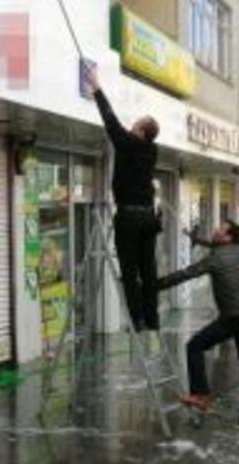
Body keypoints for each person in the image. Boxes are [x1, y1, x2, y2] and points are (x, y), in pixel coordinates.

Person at [157, 220, 239, 425]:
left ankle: (201, 394)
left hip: (234, 316)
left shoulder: (216, 258)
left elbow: (187, 273)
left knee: (195, 345)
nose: (215, 229)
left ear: (228, 236)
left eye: (220, 229)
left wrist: (156, 285)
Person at [86, 68, 161, 332]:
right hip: (148, 217)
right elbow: (118, 128)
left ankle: (138, 320)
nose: (131, 127)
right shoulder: (152, 150)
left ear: (141, 132)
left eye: (136, 125)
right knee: (148, 270)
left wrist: (96, 88)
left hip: (129, 217)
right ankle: (153, 319)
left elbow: (110, 121)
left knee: (130, 271)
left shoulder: (130, 145)